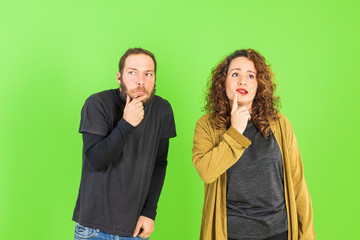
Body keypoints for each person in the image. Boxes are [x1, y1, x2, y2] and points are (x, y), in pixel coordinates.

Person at [192, 49, 314, 240]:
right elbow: (206, 172)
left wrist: (306, 235)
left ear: (259, 85)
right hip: (231, 233)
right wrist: (235, 132)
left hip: (278, 231)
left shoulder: (280, 123)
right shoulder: (207, 125)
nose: (242, 81)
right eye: (235, 74)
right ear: (222, 82)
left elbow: (298, 184)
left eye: (251, 76)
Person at [72, 47, 176, 240]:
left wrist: (149, 213)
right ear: (119, 77)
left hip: (135, 229)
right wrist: (126, 124)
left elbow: (159, 163)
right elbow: (95, 161)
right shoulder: (97, 104)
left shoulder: (163, 109)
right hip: (93, 229)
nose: (140, 81)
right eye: (132, 72)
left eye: (148, 74)